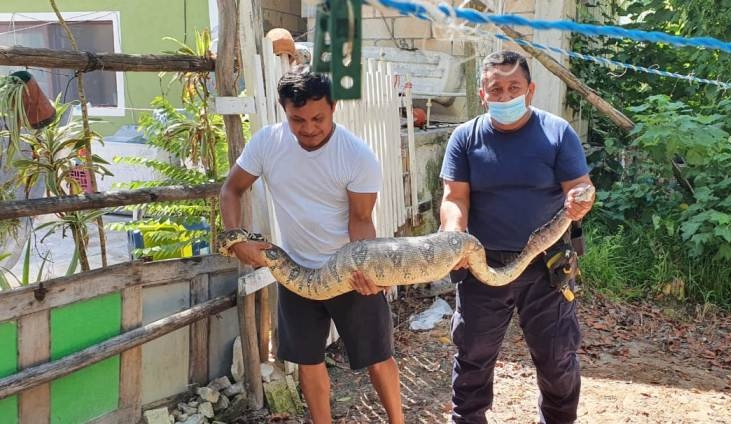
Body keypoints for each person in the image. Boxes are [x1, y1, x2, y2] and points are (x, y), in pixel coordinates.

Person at [220, 70, 404, 424]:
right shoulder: (266, 143)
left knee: (378, 355)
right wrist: (236, 237)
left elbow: (361, 219)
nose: (308, 128)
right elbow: (231, 189)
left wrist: (369, 272)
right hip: (296, 272)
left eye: (318, 118)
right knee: (307, 358)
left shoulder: (356, 155)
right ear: (283, 109)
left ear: (333, 108)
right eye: (297, 119)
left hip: (348, 272)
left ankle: (398, 420)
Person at [439, 50, 595, 424]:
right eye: (496, 89)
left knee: (557, 357)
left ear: (530, 90)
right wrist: (454, 238)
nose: (505, 96)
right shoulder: (465, 138)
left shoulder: (557, 133)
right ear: (482, 94)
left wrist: (580, 200)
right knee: (473, 354)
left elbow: (582, 188)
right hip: (481, 265)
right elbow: (454, 199)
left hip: (546, 266)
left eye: (514, 87)